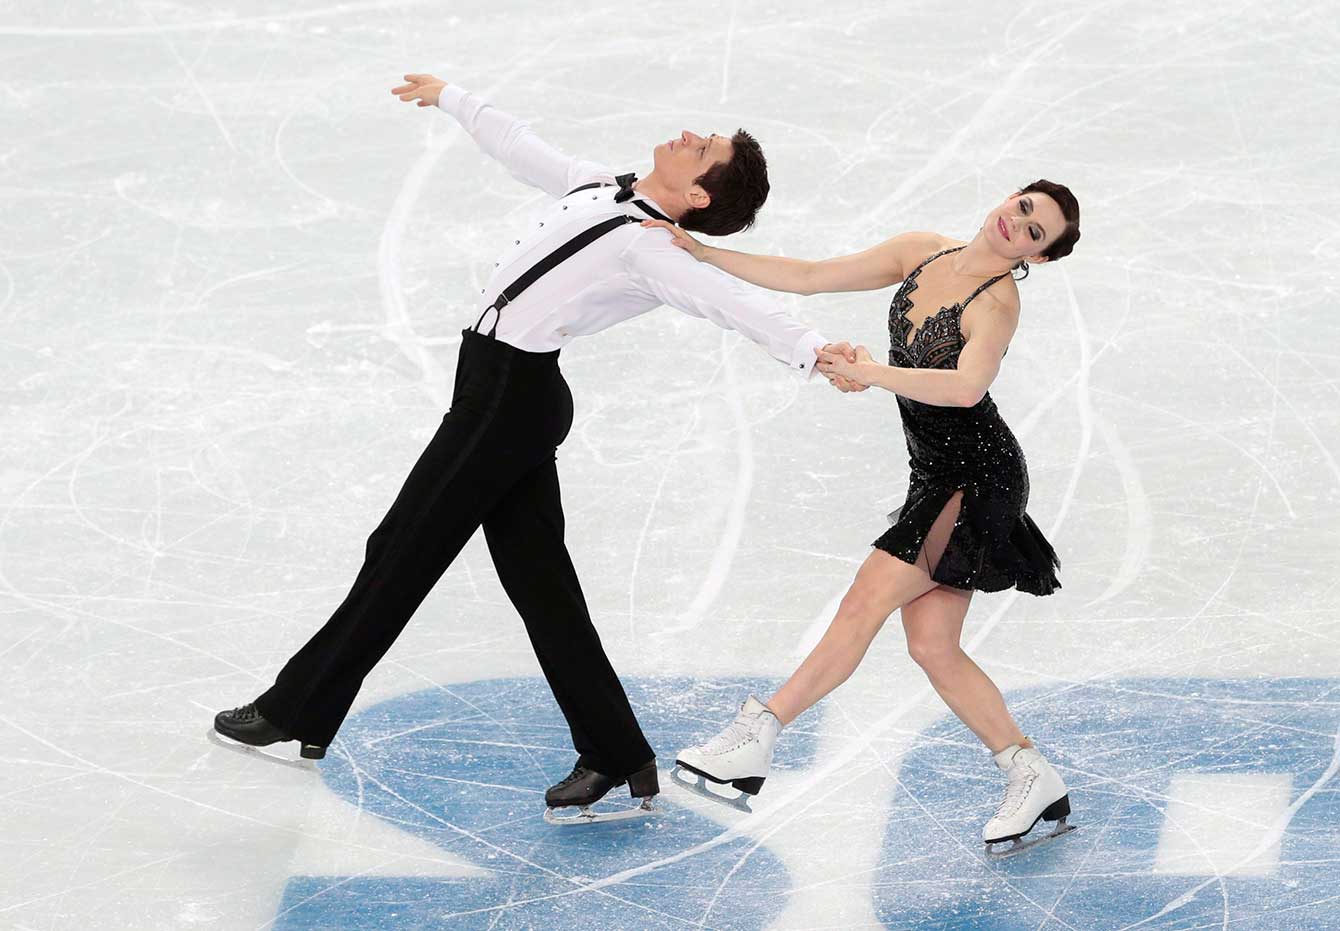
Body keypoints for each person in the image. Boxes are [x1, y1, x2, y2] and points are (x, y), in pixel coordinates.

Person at [212, 73, 855, 824]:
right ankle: (617, 755)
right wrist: (451, 96)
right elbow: (524, 149)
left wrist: (815, 351)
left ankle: (297, 707)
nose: (687, 133)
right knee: (539, 586)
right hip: (495, 393)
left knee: (401, 548)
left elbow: (734, 303)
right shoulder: (604, 186)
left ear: (701, 195)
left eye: (702, 147)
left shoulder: (655, 252)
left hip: (509, 402)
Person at [651, 183, 1082, 852]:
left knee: (863, 601)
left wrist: (873, 372)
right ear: (1010, 196)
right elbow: (811, 276)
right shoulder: (921, 252)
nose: (1016, 225)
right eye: (1024, 207)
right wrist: (704, 255)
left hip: (978, 480)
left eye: (1034, 234)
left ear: (1040, 258)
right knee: (932, 646)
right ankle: (1033, 775)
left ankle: (756, 737)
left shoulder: (996, 305)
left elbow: (967, 386)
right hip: (934, 474)